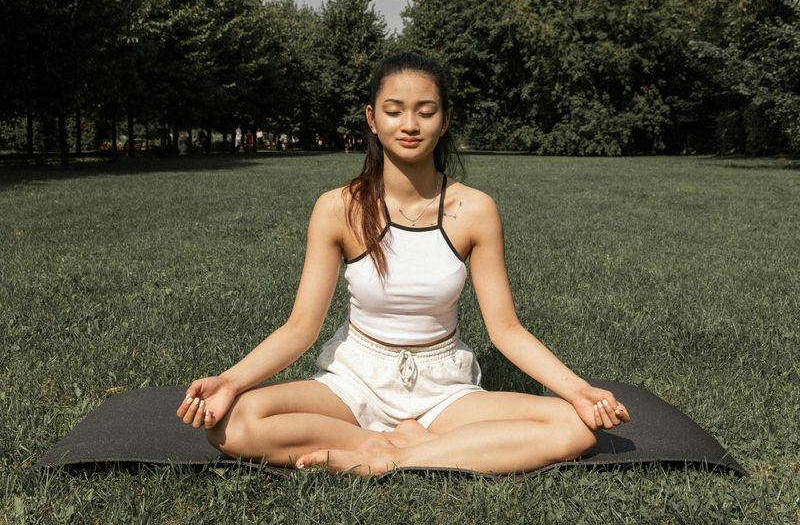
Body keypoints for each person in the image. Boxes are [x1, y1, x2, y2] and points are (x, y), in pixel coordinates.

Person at [176, 52, 630, 475]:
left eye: (426, 111)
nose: (409, 124)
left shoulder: (475, 210)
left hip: (443, 386)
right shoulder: (339, 208)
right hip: (355, 382)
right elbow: (300, 327)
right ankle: (375, 441)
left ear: (445, 120)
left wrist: (577, 389)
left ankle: (394, 456)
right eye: (394, 110)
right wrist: (230, 381)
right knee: (232, 424)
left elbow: (506, 330)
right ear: (372, 119)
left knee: (575, 427)